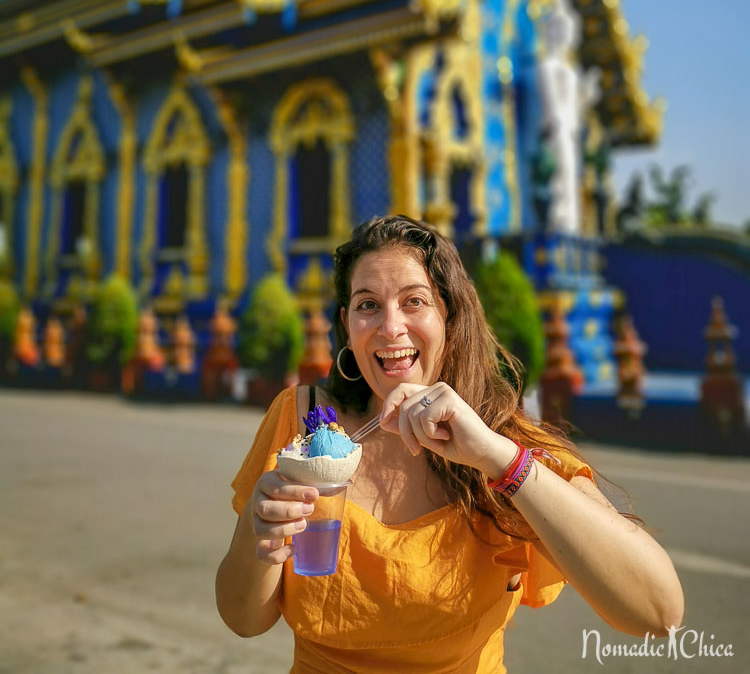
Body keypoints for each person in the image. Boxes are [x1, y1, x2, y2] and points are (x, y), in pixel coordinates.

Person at [216, 215, 684, 673]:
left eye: (414, 301)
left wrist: (497, 458)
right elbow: (243, 619)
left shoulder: (504, 441)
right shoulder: (302, 422)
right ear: (347, 325)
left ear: (450, 315)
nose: (390, 327)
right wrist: (259, 534)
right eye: (367, 305)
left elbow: (659, 613)